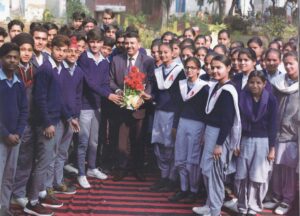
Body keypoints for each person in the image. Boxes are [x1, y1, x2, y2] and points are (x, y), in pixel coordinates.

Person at [24, 35, 79, 216]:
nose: (61, 53)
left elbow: (58, 98)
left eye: (64, 50)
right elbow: (39, 99)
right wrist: (47, 123)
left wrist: (69, 117)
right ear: (51, 48)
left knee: (48, 160)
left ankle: (40, 194)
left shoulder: (56, 68)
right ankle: (32, 202)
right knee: (43, 162)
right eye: (58, 50)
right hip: (45, 124)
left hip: (55, 120)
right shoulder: (46, 69)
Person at [193, 55, 241, 216]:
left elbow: (227, 121)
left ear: (228, 68)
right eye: (212, 67)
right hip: (211, 131)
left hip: (220, 135)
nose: (215, 70)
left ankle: (215, 210)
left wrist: (219, 144)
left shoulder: (228, 90)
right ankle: (209, 204)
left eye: (219, 67)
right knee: (207, 171)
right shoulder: (216, 86)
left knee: (215, 174)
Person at [76, 29, 121, 188]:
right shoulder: (83, 58)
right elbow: (89, 83)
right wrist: (108, 96)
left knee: (94, 142)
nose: (95, 45)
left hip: (97, 106)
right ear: (88, 42)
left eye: (98, 42)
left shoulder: (105, 61)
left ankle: (92, 168)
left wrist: (116, 94)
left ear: (102, 43)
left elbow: (104, 84)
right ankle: (81, 173)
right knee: (83, 141)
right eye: (92, 42)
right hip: (83, 106)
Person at [109, 31, 155, 182]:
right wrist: (117, 90)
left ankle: (138, 169)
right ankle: (121, 168)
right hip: (121, 106)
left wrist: (144, 96)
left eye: (132, 43)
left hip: (139, 107)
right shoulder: (116, 60)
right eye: (126, 43)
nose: (129, 46)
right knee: (121, 140)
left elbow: (151, 82)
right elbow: (110, 80)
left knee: (138, 139)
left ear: (139, 45)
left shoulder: (148, 61)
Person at [236, 70, 278, 216]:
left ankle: (254, 206)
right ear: (247, 83)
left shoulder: (271, 99)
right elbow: (238, 123)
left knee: (257, 176)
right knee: (242, 175)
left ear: (264, 84)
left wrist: (272, 148)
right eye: (252, 82)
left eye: (258, 82)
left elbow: (273, 125)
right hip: (245, 139)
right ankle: (242, 205)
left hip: (263, 141)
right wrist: (236, 143)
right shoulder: (242, 97)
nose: (255, 85)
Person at [169, 57, 208, 203]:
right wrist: (174, 125)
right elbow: (177, 107)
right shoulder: (181, 85)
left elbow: (206, 111)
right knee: (180, 156)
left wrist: (204, 131)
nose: (189, 70)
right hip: (182, 123)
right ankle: (183, 188)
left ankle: (194, 190)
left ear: (198, 70)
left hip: (197, 125)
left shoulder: (204, 87)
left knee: (193, 158)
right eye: (187, 67)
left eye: (193, 67)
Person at [265, 51, 299, 215]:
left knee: (289, 169)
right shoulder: (278, 83)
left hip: (292, 135)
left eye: (292, 63)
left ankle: (287, 199)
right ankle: (276, 196)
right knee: (276, 167)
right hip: (277, 132)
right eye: (286, 64)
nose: (289, 66)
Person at [150, 42, 185, 192]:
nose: (163, 55)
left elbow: (181, 98)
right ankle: (163, 176)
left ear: (173, 53)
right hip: (159, 112)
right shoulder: (158, 71)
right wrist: (148, 96)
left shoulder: (180, 71)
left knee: (170, 146)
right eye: (160, 52)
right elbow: (156, 95)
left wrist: (176, 122)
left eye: (166, 52)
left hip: (172, 113)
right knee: (158, 145)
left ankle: (171, 178)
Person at [0, 42, 28, 216]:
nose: (12, 60)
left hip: (15, 137)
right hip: (2, 138)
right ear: (1, 59)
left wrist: (17, 132)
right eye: (8, 57)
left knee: (9, 176)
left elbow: (24, 109)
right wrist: (6, 134)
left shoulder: (19, 83)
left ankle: (4, 208)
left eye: (15, 58)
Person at [10, 33, 36, 208]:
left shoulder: (35, 69)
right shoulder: (8, 69)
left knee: (26, 159)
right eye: (22, 49)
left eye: (29, 50)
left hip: (31, 121)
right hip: (12, 123)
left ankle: (19, 193)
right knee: (10, 161)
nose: (26, 53)